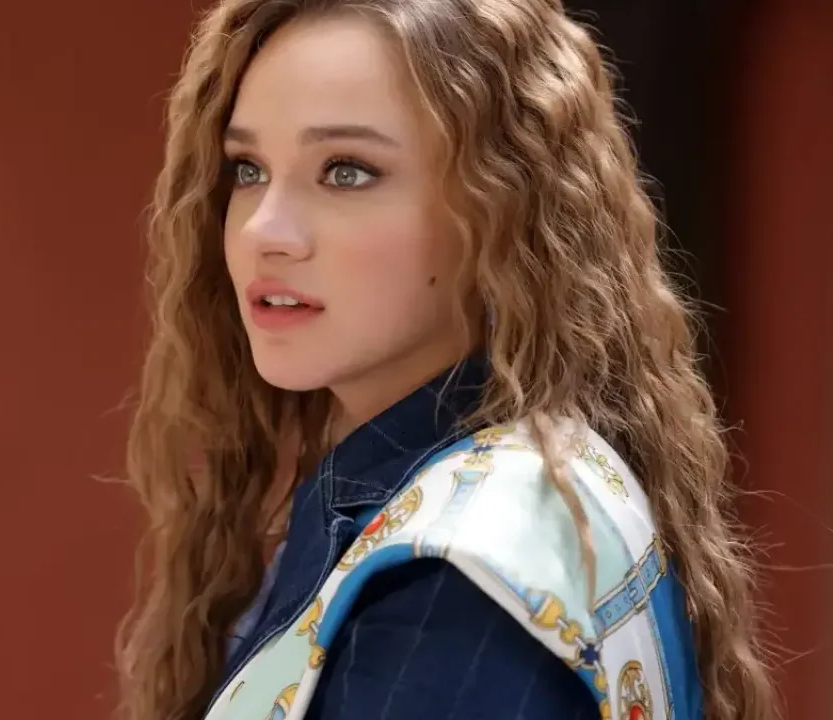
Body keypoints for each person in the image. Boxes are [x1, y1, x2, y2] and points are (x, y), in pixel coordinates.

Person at [115, 1, 777, 719]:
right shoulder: (518, 489)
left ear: (503, 207)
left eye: (345, 172)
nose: (263, 231)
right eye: (248, 169)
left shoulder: (452, 587)